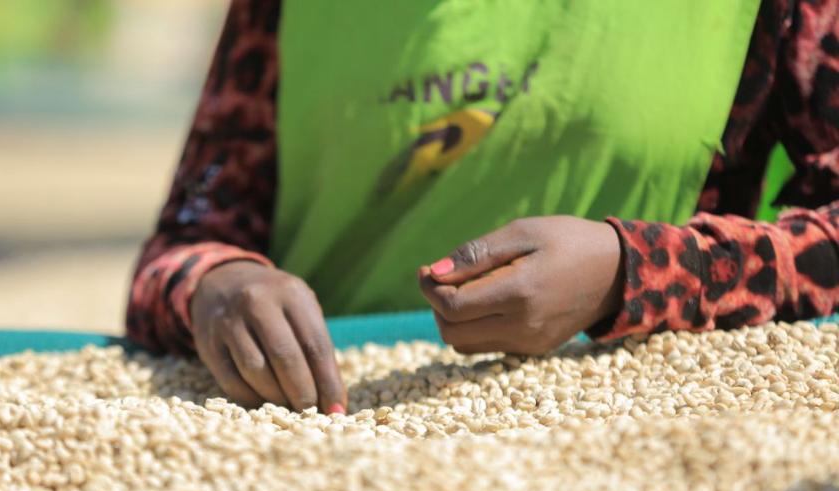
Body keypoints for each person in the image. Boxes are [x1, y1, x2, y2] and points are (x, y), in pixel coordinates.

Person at [127, 0, 839, 414]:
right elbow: (189, 238)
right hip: (316, 420)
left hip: (620, 427)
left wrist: (635, 272)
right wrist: (218, 288)